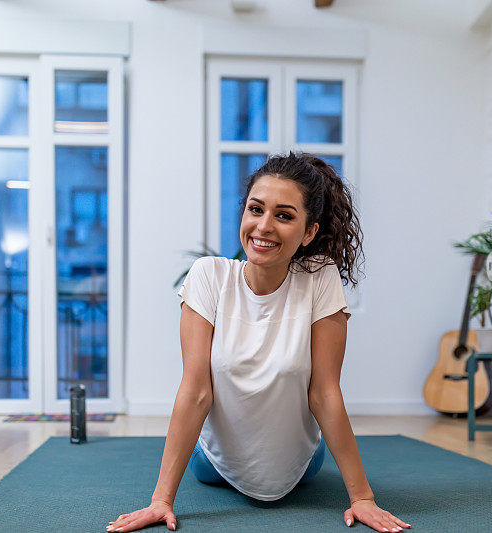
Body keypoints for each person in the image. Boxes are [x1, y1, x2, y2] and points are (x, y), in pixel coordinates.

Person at [106, 153, 411, 532]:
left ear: (309, 232)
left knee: (311, 450)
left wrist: (362, 498)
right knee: (203, 448)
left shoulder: (319, 279)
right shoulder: (209, 276)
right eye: (256, 209)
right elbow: (197, 390)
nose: (264, 226)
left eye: (284, 216)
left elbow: (324, 392)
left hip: (301, 465)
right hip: (213, 463)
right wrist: (160, 502)